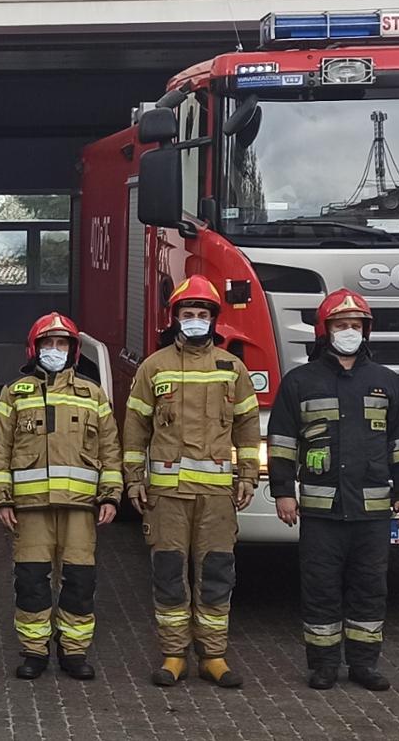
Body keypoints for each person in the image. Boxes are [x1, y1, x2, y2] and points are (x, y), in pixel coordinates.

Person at [268, 288, 399, 692]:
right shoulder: (300, 382)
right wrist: (283, 491)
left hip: (372, 513)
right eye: (341, 325)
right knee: (319, 590)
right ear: (326, 331)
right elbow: (282, 441)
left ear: (366, 331)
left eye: (356, 325)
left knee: (370, 590)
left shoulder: (386, 382)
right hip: (321, 512)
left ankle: (364, 666)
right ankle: (322, 666)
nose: (349, 331)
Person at [121, 276, 261, 689]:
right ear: (175, 318)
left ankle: (213, 656)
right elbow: (134, 428)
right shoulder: (155, 366)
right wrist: (133, 479)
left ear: (213, 320)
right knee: (168, 573)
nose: (195, 321)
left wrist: (248, 475)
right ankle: (173, 654)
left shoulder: (232, 368)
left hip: (217, 496)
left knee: (217, 573)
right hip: (166, 495)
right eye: (188, 314)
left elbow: (248, 427)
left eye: (202, 315)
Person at [0, 312, 123, 680]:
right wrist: (1, 498)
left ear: (73, 350)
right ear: (35, 348)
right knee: (31, 581)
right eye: (49, 343)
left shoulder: (93, 395)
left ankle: (74, 652)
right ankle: (34, 650)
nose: (55, 350)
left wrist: (111, 496)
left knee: (79, 582)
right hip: (30, 511)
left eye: (62, 344)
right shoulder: (14, 394)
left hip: (81, 510)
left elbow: (111, 448)